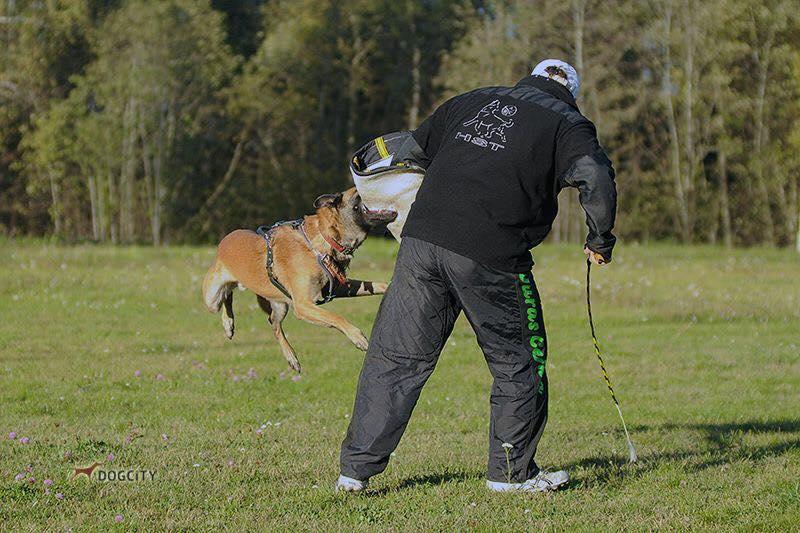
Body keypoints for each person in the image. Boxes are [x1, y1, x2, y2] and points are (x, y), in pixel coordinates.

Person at [337, 59, 617, 493]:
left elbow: (405, 147)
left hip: (421, 241)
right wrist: (600, 240)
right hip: (491, 253)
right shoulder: (568, 123)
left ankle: (353, 473)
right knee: (518, 363)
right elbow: (595, 175)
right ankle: (511, 476)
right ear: (571, 91)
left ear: (531, 77)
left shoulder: (471, 100)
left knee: (395, 358)